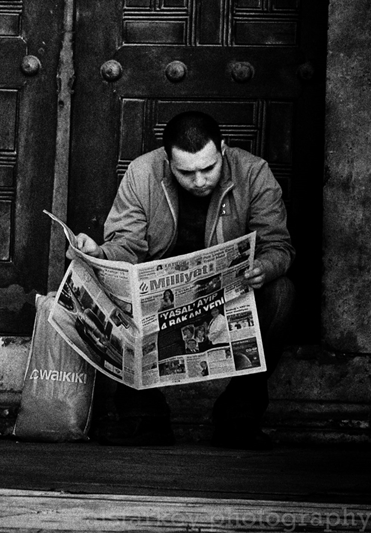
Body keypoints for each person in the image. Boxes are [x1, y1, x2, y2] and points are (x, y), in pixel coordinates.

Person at [72, 111, 295, 450]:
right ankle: (143, 418)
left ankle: (238, 417)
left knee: (282, 293)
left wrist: (264, 267)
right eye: (186, 172)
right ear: (168, 160)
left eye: (209, 168)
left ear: (222, 148)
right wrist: (97, 254)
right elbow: (126, 246)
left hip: (230, 296)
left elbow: (278, 245)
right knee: (102, 284)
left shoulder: (253, 172)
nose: (200, 181)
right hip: (158, 302)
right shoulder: (143, 172)